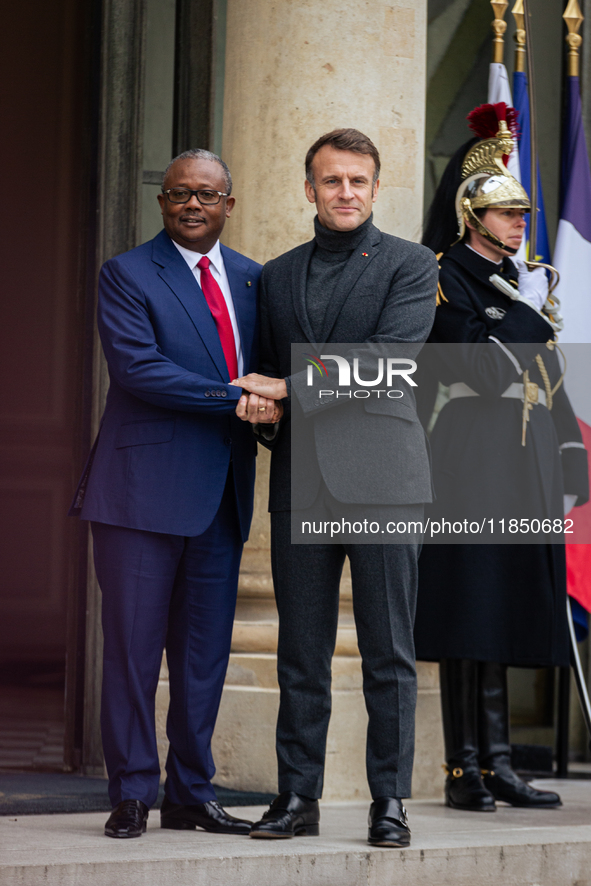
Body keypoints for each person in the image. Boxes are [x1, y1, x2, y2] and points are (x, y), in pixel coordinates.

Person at [232, 128, 439, 847]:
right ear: (309, 189)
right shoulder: (278, 275)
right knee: (301, 653)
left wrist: (281, 388)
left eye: (357, 181)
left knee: (387, 652)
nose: (344, 192)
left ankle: (389, 801)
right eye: (330, 181)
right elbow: (262, 371)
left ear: (376, 189)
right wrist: (262, 410)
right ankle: (297, 798)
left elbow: (387, 360)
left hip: (384, 483)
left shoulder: (411, 266)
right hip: (301, 481)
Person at [70, 149, 280, 838]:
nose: (193, 204)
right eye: (179, 194)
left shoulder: (254, 281)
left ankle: (191, 791)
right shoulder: (127, 273)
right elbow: (139, 370)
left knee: (203, 654)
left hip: (220, 495)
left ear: (229, 203)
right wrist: (237, 397)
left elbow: (271, 375)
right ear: (162, 203)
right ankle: (132, 790)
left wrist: (273, 408)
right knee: (132, 650)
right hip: (139, 494)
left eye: (207, 194)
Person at [413, 103, 589, 812]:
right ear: (470, 214)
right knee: (469, 612)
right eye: (506, 212)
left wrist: (572, 460)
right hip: (467, 463)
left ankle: (498, 761)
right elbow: (483, 370)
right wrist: (511, 334)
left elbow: (544, 379)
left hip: (525, 464)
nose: (520, 222)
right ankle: (463, 769)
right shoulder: (442, 278)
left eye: (521, 212)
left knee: (508, 607)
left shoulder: (522, 284)